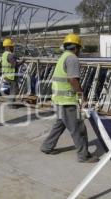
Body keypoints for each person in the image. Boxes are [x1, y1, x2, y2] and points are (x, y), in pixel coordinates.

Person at [40, 33, 98, 163]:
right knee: (78, 128)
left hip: (59, 99)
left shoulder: (63, 57)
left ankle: (47, 146)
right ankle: (84, 156)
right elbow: (73, 80)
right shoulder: (72, 58)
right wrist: (82, 97)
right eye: (79, 49)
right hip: (67, 100)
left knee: (60, 124)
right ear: (77, 48)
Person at [1, 38, 19, 108]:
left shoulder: (4, 54)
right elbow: (15, 65)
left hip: (6, 75)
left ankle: (11, 102)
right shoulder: (10, 55)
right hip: (11, 75)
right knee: (14, 90)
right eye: (12, 46)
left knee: (13, 89)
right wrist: (22, 62)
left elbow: (0, 64)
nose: (13, 47)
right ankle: (11, 104)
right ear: (8, 47)